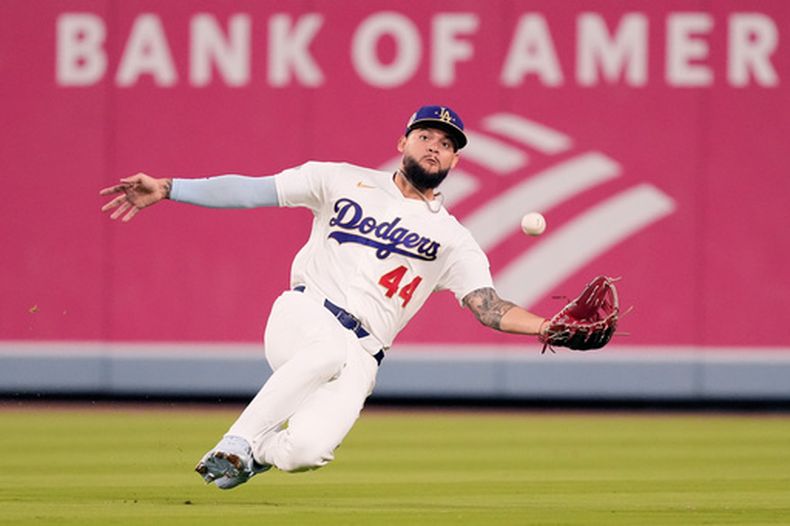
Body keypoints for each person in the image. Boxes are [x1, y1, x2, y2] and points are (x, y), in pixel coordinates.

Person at [100, 105, 548, 490]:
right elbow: (252, 190)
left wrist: (549, 328)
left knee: (305, 452)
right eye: (425, 135)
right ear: (402, 142)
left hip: (363, 354)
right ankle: (234, 441)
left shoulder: (454, 239)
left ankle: (254, 452)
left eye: (447, 143)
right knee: (326, 350)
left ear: (455, 159)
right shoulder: (338, 179)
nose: (434, 146)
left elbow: (489, 307)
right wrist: (170, 187)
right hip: (304, 314)